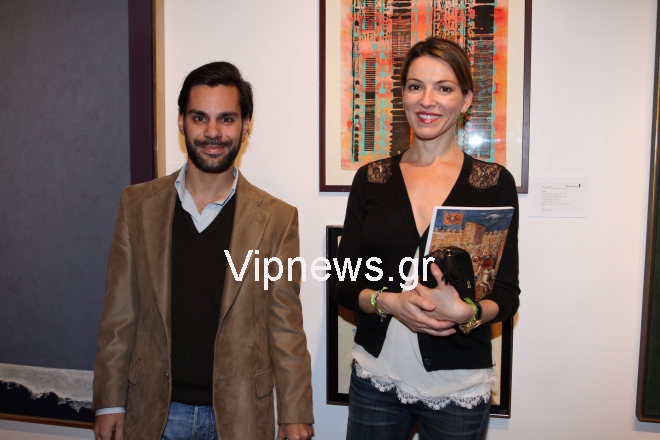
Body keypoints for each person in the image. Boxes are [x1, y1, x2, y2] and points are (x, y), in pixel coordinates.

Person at [92, 61, 314, 440]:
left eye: (227, 119)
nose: (213, 132)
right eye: (200, 118)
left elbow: (285, 326)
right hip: (153, 413)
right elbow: (119, 315)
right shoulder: (137, 205)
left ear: (246, 125)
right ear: (182, 122)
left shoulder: (277, 219)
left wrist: (295, 412)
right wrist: (109, 402)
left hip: (240, 416)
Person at [331, 37, 520, 440]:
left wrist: (467, 313)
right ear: (403, 95)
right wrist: (389, 302)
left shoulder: (493, 184)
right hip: (376, 379)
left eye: (444, 88)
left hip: (457, 388)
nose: (427, 100)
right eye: (416, 86)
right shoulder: (371, 179)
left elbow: (506, 294)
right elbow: (342, 284)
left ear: (466, 100)